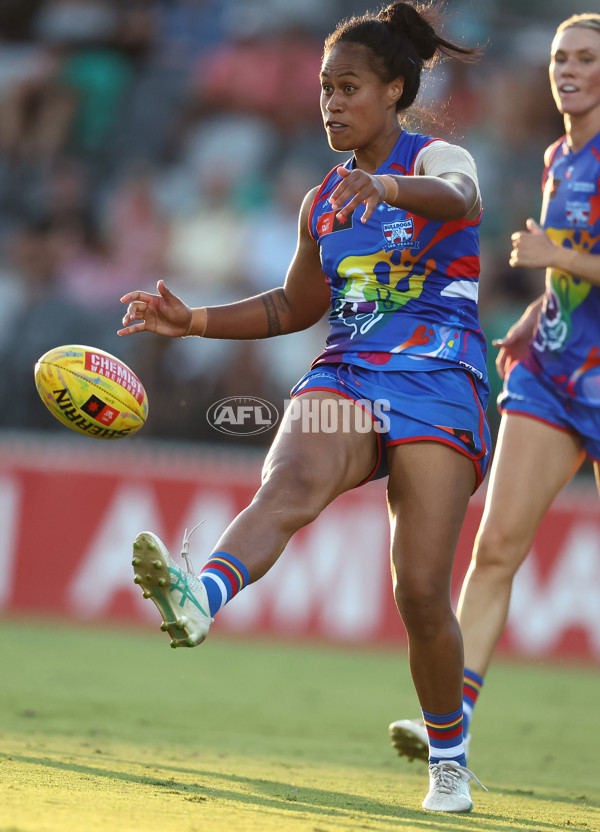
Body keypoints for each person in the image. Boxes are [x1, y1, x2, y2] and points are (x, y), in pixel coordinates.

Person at [118, 1, 489, 814]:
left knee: (421, 592)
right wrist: (196, 319)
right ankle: (200, 598)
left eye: (348, 87)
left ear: (393, 90)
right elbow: (294, 306)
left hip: (438, 375)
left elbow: (459, 200)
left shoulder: (440, 156)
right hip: (348, 373)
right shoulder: (321, 201)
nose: (330, 103)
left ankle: (451, 761)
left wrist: (385, 183)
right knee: (286, 487)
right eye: (324, 88)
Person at [389, 10, 600, 771]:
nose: (567, 70)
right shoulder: (558, 157)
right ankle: (453, 722)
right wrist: (537, 310)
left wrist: (555, 258)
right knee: (497, 545)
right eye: (559, 58)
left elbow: (573, 256)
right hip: (551, 370)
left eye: (583, 58)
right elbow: (573, 266)